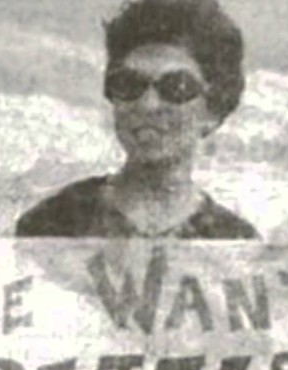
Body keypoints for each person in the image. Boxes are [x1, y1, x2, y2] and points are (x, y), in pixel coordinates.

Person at [15, 0, 258, 239]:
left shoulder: (234, 244)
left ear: (213, 112)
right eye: (128, 85)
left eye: (177, 88)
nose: (148, 105)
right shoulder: (53, 223)